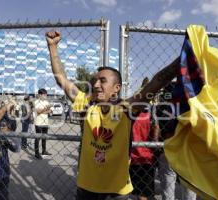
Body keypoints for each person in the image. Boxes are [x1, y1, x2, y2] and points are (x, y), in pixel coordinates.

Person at [46, 31, 179, 200]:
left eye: (102, 80)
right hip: (87, 188)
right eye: (94, 80)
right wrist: (53, 47)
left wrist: (185, 58)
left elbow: (158, 81)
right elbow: (62, 80)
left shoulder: (127, 108)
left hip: (118, 191)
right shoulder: (86, 104)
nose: (95, 84)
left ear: (117, 88)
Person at [155, 83, 197, 200]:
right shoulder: (189, 106)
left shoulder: (161, 107)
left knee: (168, 182)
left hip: (169, 145)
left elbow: (157, 127)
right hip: (187, 148)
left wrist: (157, 145)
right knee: (189, 184)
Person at [129, 78, 159, 200]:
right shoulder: (151, 113)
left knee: (134, 190)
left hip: (132, 156)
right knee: (143, 193)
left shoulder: (130, 113)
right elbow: (156, 128)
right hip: (146, 157)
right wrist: (155, 145)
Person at [34, 88, 52, 159]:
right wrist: (46, 109)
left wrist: (44, 110)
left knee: (44, 137)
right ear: (40, 95)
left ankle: (44, 151)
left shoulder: (46, 102)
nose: (46, 96)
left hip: (45, 122)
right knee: (38, 138)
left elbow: (50, 111)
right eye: (44, 95)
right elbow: (38, 112)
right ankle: (36, 153)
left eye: (46, 95)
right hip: (38, 123)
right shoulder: (36, 102)